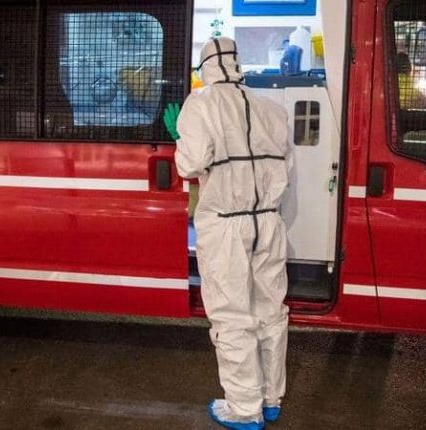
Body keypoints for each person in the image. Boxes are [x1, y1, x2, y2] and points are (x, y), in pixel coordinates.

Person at [163, 37, 292, 430]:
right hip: (268, 221)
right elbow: (284, 165)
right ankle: (271, 399)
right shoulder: (272, 108)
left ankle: (244, 408)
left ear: (205, 68)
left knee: (232, 316)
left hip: (225, 225)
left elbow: (190, 165)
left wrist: (179, 137)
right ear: (238, 64)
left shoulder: (200, 105)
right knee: (271, 313)